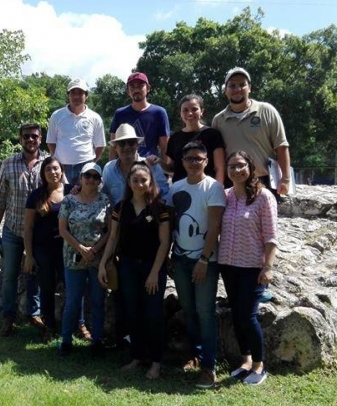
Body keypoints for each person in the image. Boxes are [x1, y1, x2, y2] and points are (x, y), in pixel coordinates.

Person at [98, 162, 170, 380]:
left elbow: (164, 243)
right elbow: (113, 238)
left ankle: (156, 362)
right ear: (129, 182)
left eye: (144, 180)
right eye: (135, 180)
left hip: (152, 266)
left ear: (150, 182)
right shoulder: (121, 208)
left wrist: (154, 273)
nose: (140, 184)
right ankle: (137, 356)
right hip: (127, 266)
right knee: (132, 311)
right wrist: (103, 262)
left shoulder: (160, 208)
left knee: (153, 314)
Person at [167, 141, 226, 389]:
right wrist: (171, 254)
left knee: (205, 312)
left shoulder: (213, 188)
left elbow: (214, 227)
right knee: (189, 309)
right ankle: (196, 354)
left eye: (198, 158)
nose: (193, 162)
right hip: (180, 259)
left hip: (205, 261)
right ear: (182, 162)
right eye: (189, 158)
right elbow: (171, 224)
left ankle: (209, 367)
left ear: (206, 161)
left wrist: (204, 259)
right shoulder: (175, 188)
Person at [218, 151, 278, 386]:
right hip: (228, 264)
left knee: (248, 316)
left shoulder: (264, 197)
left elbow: (271, 236)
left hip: (252, 266)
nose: (236, 170)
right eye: (231, 166)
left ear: (250, 168)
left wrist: (268, 267)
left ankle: (259, 365)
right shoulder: (226, 196)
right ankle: (245, 360)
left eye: (241, 165)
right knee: (236, 313)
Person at [0, 123, 46, 337]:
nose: (30, 140)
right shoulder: (8, 164)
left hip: (38, 233)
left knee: (36, 275)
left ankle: (34, 314)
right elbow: (0, 199)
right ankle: (8, 316)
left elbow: (61, 190)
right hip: (13, 229)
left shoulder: (49, 164)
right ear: (20, 139)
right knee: (9, 275)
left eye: (34, 136)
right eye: (26, 136)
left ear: (40, 139)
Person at [211, 67, 291, 196]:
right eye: (232, 85)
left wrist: (286, 179)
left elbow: (281, 146)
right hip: (232, 183)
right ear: (225, 90)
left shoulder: (267, 111)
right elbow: (217, 157)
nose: (237, 89)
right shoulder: (218, 120)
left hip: (264, 181)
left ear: (250, 88)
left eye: (242, 84)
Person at [58, 163, 111, 356]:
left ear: (100, 181)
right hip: (73, 257)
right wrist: (81, 248)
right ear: (80, 178)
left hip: (98, 259)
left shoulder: (105, 200)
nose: (91, 180)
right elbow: (63, 230)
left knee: (98, 300)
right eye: (87, 175)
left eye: (95, 177)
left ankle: (97, 340)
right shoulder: (69, 201)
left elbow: (110, 230)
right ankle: (66, 340)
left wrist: (94, 249)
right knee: (72, 300)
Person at [23, 156, 72, 343]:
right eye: (48, 169)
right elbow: (28, 228)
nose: (53, 172)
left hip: (66, 248)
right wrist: (29, 255)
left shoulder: (71, 192)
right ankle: (49, 327)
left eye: (56, 168)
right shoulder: (36, 195)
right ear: (43, 174)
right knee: (46, 289)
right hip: (43, 249)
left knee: (72, 288)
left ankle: (74, 325)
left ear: (62, 171)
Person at [47, 78, 106, 183]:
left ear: (86, 95)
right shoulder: (56, 116)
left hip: (86, 167)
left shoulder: (95, 118)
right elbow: (51, 142)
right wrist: (59, 161)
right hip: (62, 167)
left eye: (80, 93)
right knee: (62, 197)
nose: (76, 96)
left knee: (85, 197)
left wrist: (91, 163)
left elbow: (100, 145)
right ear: (68, 95)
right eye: (73, 93)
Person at [108, 72, 171, 165]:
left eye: (140, 85)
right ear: (128, 91)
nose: (136, 89)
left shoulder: (159, 112)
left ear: (148, 88)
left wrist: (165, 170)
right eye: (132, 86)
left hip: (149, 165)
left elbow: (164, 146)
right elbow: (113, 146)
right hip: (124, 166)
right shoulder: (120, 113)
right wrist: (110, 168)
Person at [165, 94, 225, 184]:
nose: (190, 113)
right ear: (180, 113)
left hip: (206, 189)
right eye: (185, 110)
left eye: (194, 109)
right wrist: (156, 162)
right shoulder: (174, 138)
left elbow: (219, 168)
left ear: (202, 111)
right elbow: (171, 168)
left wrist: (219, 190)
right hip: (181, 191)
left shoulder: (212, 134)